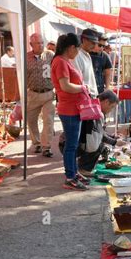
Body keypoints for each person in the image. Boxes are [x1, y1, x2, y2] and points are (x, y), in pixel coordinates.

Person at [51, 33, 89, 191]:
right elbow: (65, 86)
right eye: (78, 48)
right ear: (71, 47)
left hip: (74, 107)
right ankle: (70, 177)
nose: (78, 52)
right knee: (71, 145)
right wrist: (82, 88)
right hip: (69, 109)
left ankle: (73, 173)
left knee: (73, 144)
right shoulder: (60, 62)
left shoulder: (66, 61)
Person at [60, 89, 119, 175]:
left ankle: (81, 166)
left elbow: (98, 132)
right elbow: (99, 136)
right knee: (98, 144)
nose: (111, 110)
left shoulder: (92, 106)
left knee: (98, 142)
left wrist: (112, 138)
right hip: (70, 144)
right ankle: (83, 169)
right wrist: (115, 142)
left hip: (66, 142)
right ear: (106, 102)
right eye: (112, 107)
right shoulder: (94, 112)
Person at [26, 33, 55, 157]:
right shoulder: (26, 58)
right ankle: (37, 143)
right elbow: (21, 77)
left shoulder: (50, 55)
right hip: (33, 93)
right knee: (31, 120)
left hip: (48, 93)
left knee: (48, 120)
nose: (41, 45)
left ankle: (46, 146)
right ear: (31, 44)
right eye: (38, 43)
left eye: (42, 42)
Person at [73, 28, 99, 98]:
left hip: (91, 95)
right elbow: (78, 80)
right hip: (85, 96)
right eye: (92, 43)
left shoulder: (87, 54)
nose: (94, 46)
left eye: (95, 43)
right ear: (84, 40)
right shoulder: (77, 55)